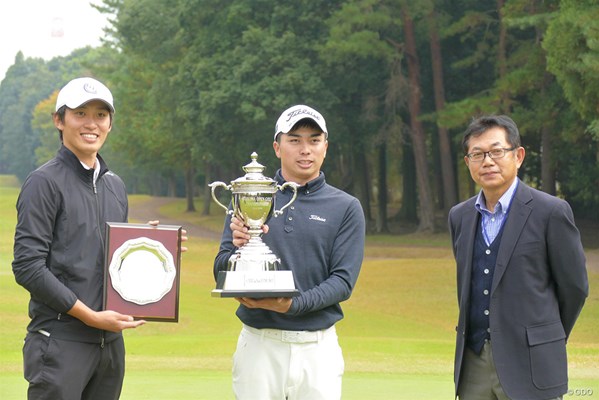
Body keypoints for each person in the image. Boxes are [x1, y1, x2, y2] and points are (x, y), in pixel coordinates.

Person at [12, 76, 186, 400]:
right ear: (59, 120)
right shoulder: (43, 183)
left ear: (110, 124)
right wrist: (89, 316)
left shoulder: (114, 186)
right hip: (61, 341)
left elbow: (108, 261)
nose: (91, 124)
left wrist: (150, 246)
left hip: (109, 346)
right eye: (80, 113)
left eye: (101, 115)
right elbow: (28, 266)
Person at [214, 104, 365, 400]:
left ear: (325, 147)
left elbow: (342, 282)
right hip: (259, 344)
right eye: (294, 140)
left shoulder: (346, 206)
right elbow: (220, 268)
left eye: (314, 140)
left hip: (318, 350)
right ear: (277, 147)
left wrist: (291, 306)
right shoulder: (252, 195)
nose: (305, 149)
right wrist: (239, 250)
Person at [448, 114, 588, 400]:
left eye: (497, 151)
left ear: (519, 156)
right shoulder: (459, 216)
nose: (487, 161)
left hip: (531, 364)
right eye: (477, 154)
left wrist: (543, 337)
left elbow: (574, 289)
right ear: (468, 163)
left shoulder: (551, 212)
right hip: (473, 364)